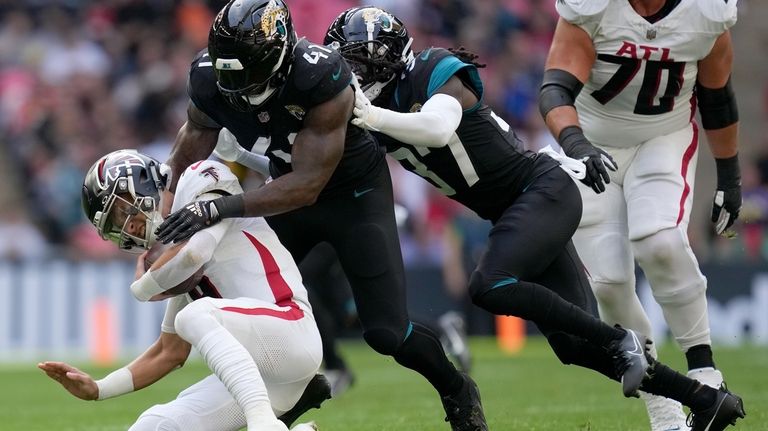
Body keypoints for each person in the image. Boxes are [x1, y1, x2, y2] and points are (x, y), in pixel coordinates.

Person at [324, 5, 745, 430]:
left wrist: (369, 115)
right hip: (517, 211)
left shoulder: (433, 69)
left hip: (541, 191)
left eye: (358, 64)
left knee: (488, 284)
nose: (352, 77)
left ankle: (621, 339)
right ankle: (705, 400)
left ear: (387, 59)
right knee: (574, 347)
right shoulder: (370, 114)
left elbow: (436, 128)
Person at [152, 1, 488, 429]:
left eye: (246, 69)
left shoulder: (321, 75)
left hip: (351, 197)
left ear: (279, 53)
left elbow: (309, 184)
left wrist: (216, 207)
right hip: (284, 190)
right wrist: (167, 207)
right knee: (239, 299)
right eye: (227, 73)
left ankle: (456, 389)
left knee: (386, 332)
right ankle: (292, 390)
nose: (234, 84)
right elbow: (195, 135)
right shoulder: (208, 76)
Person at [539, 0, 743, 429]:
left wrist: (730, 175)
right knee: (610, 284)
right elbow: (555, 88)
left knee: (660, 240)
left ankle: (706, 374)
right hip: (592, 144)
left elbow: (716, 95)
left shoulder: (705, 11)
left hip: (663, 136)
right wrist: (576, 145)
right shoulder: (593, 8)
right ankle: (665, 411)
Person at [39, 149, 328, 431]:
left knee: (194, 315)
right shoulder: (171, 254)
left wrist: (141, 288)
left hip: (292, 333)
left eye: (122, 209)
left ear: (143, 182)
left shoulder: (198, 178)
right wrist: (98, 389)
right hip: (258, 376)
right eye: (114, 223)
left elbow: (195, 254)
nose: (126, 225)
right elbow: (169, 352)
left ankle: (263, 423)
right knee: (154, 426)